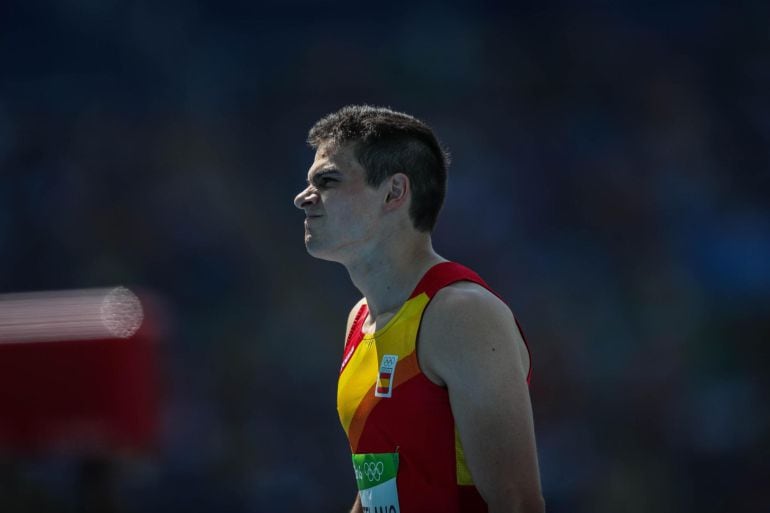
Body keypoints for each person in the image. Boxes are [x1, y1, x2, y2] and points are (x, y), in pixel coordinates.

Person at [294, 105, 545, 513]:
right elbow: (380, 486)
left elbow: (517, 501)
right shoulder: (361, 319)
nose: (303, 198)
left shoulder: (461, 315)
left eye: (327, 180)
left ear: (394, 192)